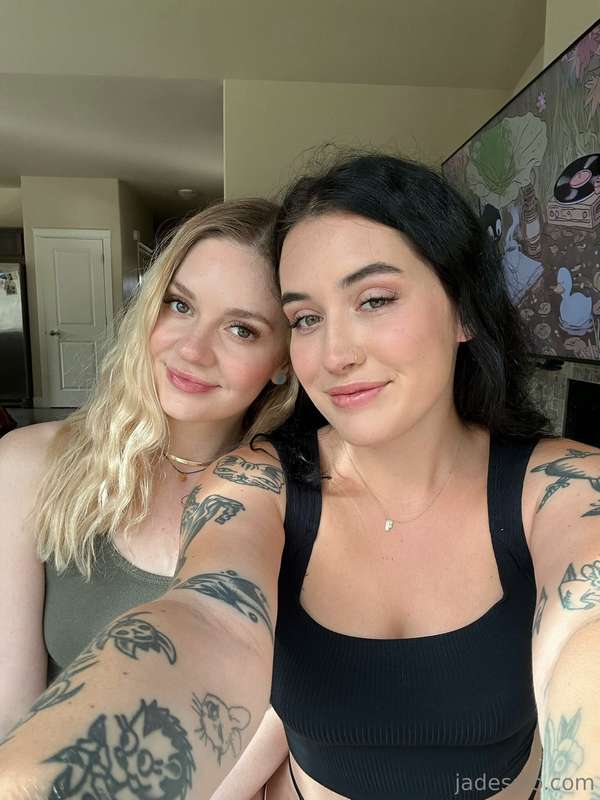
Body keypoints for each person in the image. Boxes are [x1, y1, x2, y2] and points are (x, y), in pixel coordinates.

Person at [2, 154, 600, 800]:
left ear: (464, 309)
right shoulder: (255, 484)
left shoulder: (565, 488)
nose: (336, 355)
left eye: (374, 300)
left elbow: (586, 634)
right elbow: (210, 621)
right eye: (307, 319)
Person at [0, 198, 295, 741]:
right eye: (180, 305)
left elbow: (282, 722)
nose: (193, 350)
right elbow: (9, 711)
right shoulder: (28, 465)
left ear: (283, 359)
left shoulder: (298, 504)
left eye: (242, 329)